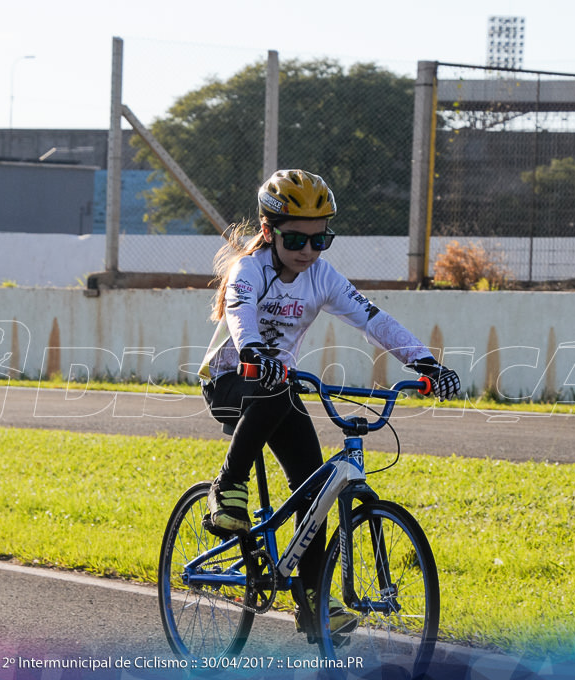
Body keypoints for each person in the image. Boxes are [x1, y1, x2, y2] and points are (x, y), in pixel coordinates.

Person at [197, 169, 460, 632]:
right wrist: (255, 351)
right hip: (232, 381)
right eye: (296, 239)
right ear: (267, 231)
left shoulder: (321, 276)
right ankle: (227, 485)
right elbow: (239, 312)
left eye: (321, 240)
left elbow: (373, 319)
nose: (307, 252)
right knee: (281, 386)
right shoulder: (249, 270)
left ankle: (312, 600)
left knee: (315, 486)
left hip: (277, 388)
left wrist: (424, 362)